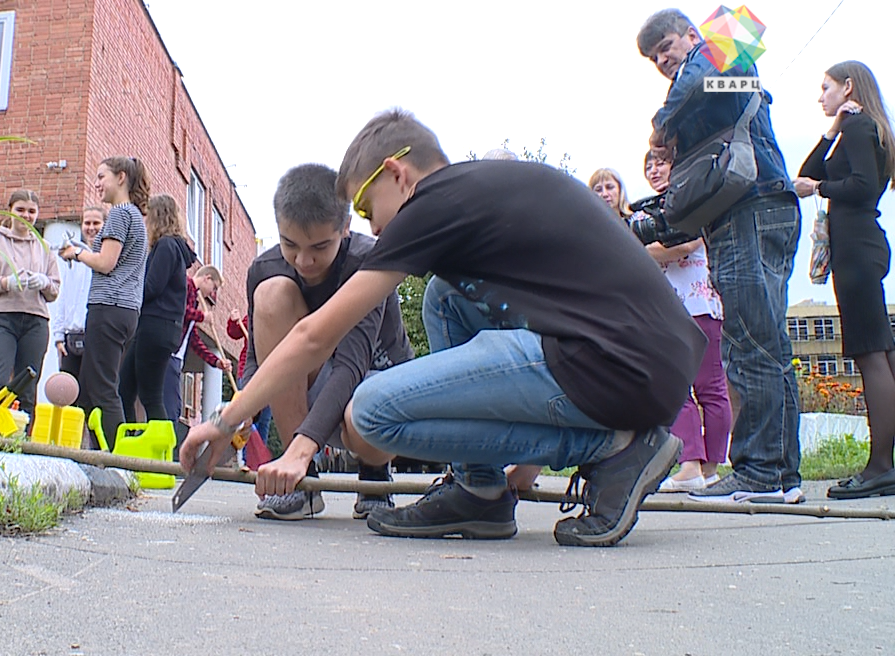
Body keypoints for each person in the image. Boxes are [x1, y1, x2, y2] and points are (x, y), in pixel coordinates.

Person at [184, 109, 705, 547]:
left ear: (396, 173)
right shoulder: (472, 194)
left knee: (370, 411)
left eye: (366, 207)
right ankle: (479, 491)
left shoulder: (433, 204)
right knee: (444, 297)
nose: (373, 228)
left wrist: (226, 421)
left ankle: (612, 450)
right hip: (639, 356)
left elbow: (314, 336)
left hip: (621, 366)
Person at [639, 8, 803, 504]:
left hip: (750, 210)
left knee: (749, 345)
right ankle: (781, 476)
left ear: (692, 34)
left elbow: (738, 28)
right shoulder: (721, 85)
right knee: (768, 344)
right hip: (755, 211)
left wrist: (662, 123)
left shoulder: (721, 53)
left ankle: (759, 473)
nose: (662, 61)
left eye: (666, 47)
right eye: (653, 58)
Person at [230, 164, 413, 521]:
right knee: (271, 295)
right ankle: (303, 485)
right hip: (318, 382)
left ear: (345, 228)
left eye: (319, 246)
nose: (304, 261)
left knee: (361, 418)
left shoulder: (368, 261)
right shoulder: (265, 269)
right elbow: (257, 361)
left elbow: (351, 366)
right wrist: (238, 415)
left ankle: (375, 474)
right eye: (290, 244)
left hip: (373, 382)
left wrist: (302, 447)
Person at [794, 60, 895, 499]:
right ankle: (883, 466)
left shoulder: (860, 126)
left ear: (848, 86)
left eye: (826, 88)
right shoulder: (858, 127)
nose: (821, 96)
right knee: (881, 353)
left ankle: (880, 468)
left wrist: (819, 190)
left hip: (856, 247)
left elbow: (860, 185)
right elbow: (810, 168)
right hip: (861, 245)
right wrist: (832, 128)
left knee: (870, 353)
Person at [642, 151, 732, 492]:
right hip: (673, 308)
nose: (654, 170)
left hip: (697, 304)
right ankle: (699, 468)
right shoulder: (651, 209)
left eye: (660, 163)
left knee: (698, 387)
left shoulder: (690, 201)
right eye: (648, 166)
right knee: (689, 388)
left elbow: (686, 244)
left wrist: (645, 249)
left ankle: (700, 467)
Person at [58, 157, 149, 450]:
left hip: (109, 307)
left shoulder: (120, 214)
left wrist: (76, 253)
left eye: (101, 177)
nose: (96, 183)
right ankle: (88, 454)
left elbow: (106, 262)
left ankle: (117, 459)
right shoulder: (135, 216)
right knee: (87, 389)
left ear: (121, 177)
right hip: (125, 310)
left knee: (103, 389)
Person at [0, 189, 62, 421]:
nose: (26, 215)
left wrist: (44, 282)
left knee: (27, 389)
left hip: (35, 321)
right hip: (1, 318)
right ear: (10, 211)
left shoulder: (44, 247)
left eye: (32, 211)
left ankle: (21, 438)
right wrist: (6, 283)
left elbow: (54, 290)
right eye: (20, 210)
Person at [118, 195, 195, 428]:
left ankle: (160, 446)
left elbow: (151, 287)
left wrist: (126, 288)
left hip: (154, 326)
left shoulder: (166, 246)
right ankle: (131, 440)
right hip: (163, 328)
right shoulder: (175, 248)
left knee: (149, 395)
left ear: (156, 217)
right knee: (126, 389)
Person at [163, 265, 230, 442]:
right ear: (207, 278)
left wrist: (216, 362)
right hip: (168, 355)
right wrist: (202, 317)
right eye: (214, 288)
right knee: (171, 407)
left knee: (173, 407)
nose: (212, 293)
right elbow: (178, 310)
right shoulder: (185, 286)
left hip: (177, 358)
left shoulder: (194, 298)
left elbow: (194, 340)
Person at [52, 205, 106, 410]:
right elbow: (64, 297)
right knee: (66, 397)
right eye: (87, 223)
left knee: (91, 397)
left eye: (96, 223)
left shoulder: (108, 260)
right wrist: (59, 336)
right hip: (71, 337)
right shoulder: (72, 259)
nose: (91, 228)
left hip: (96, 336)